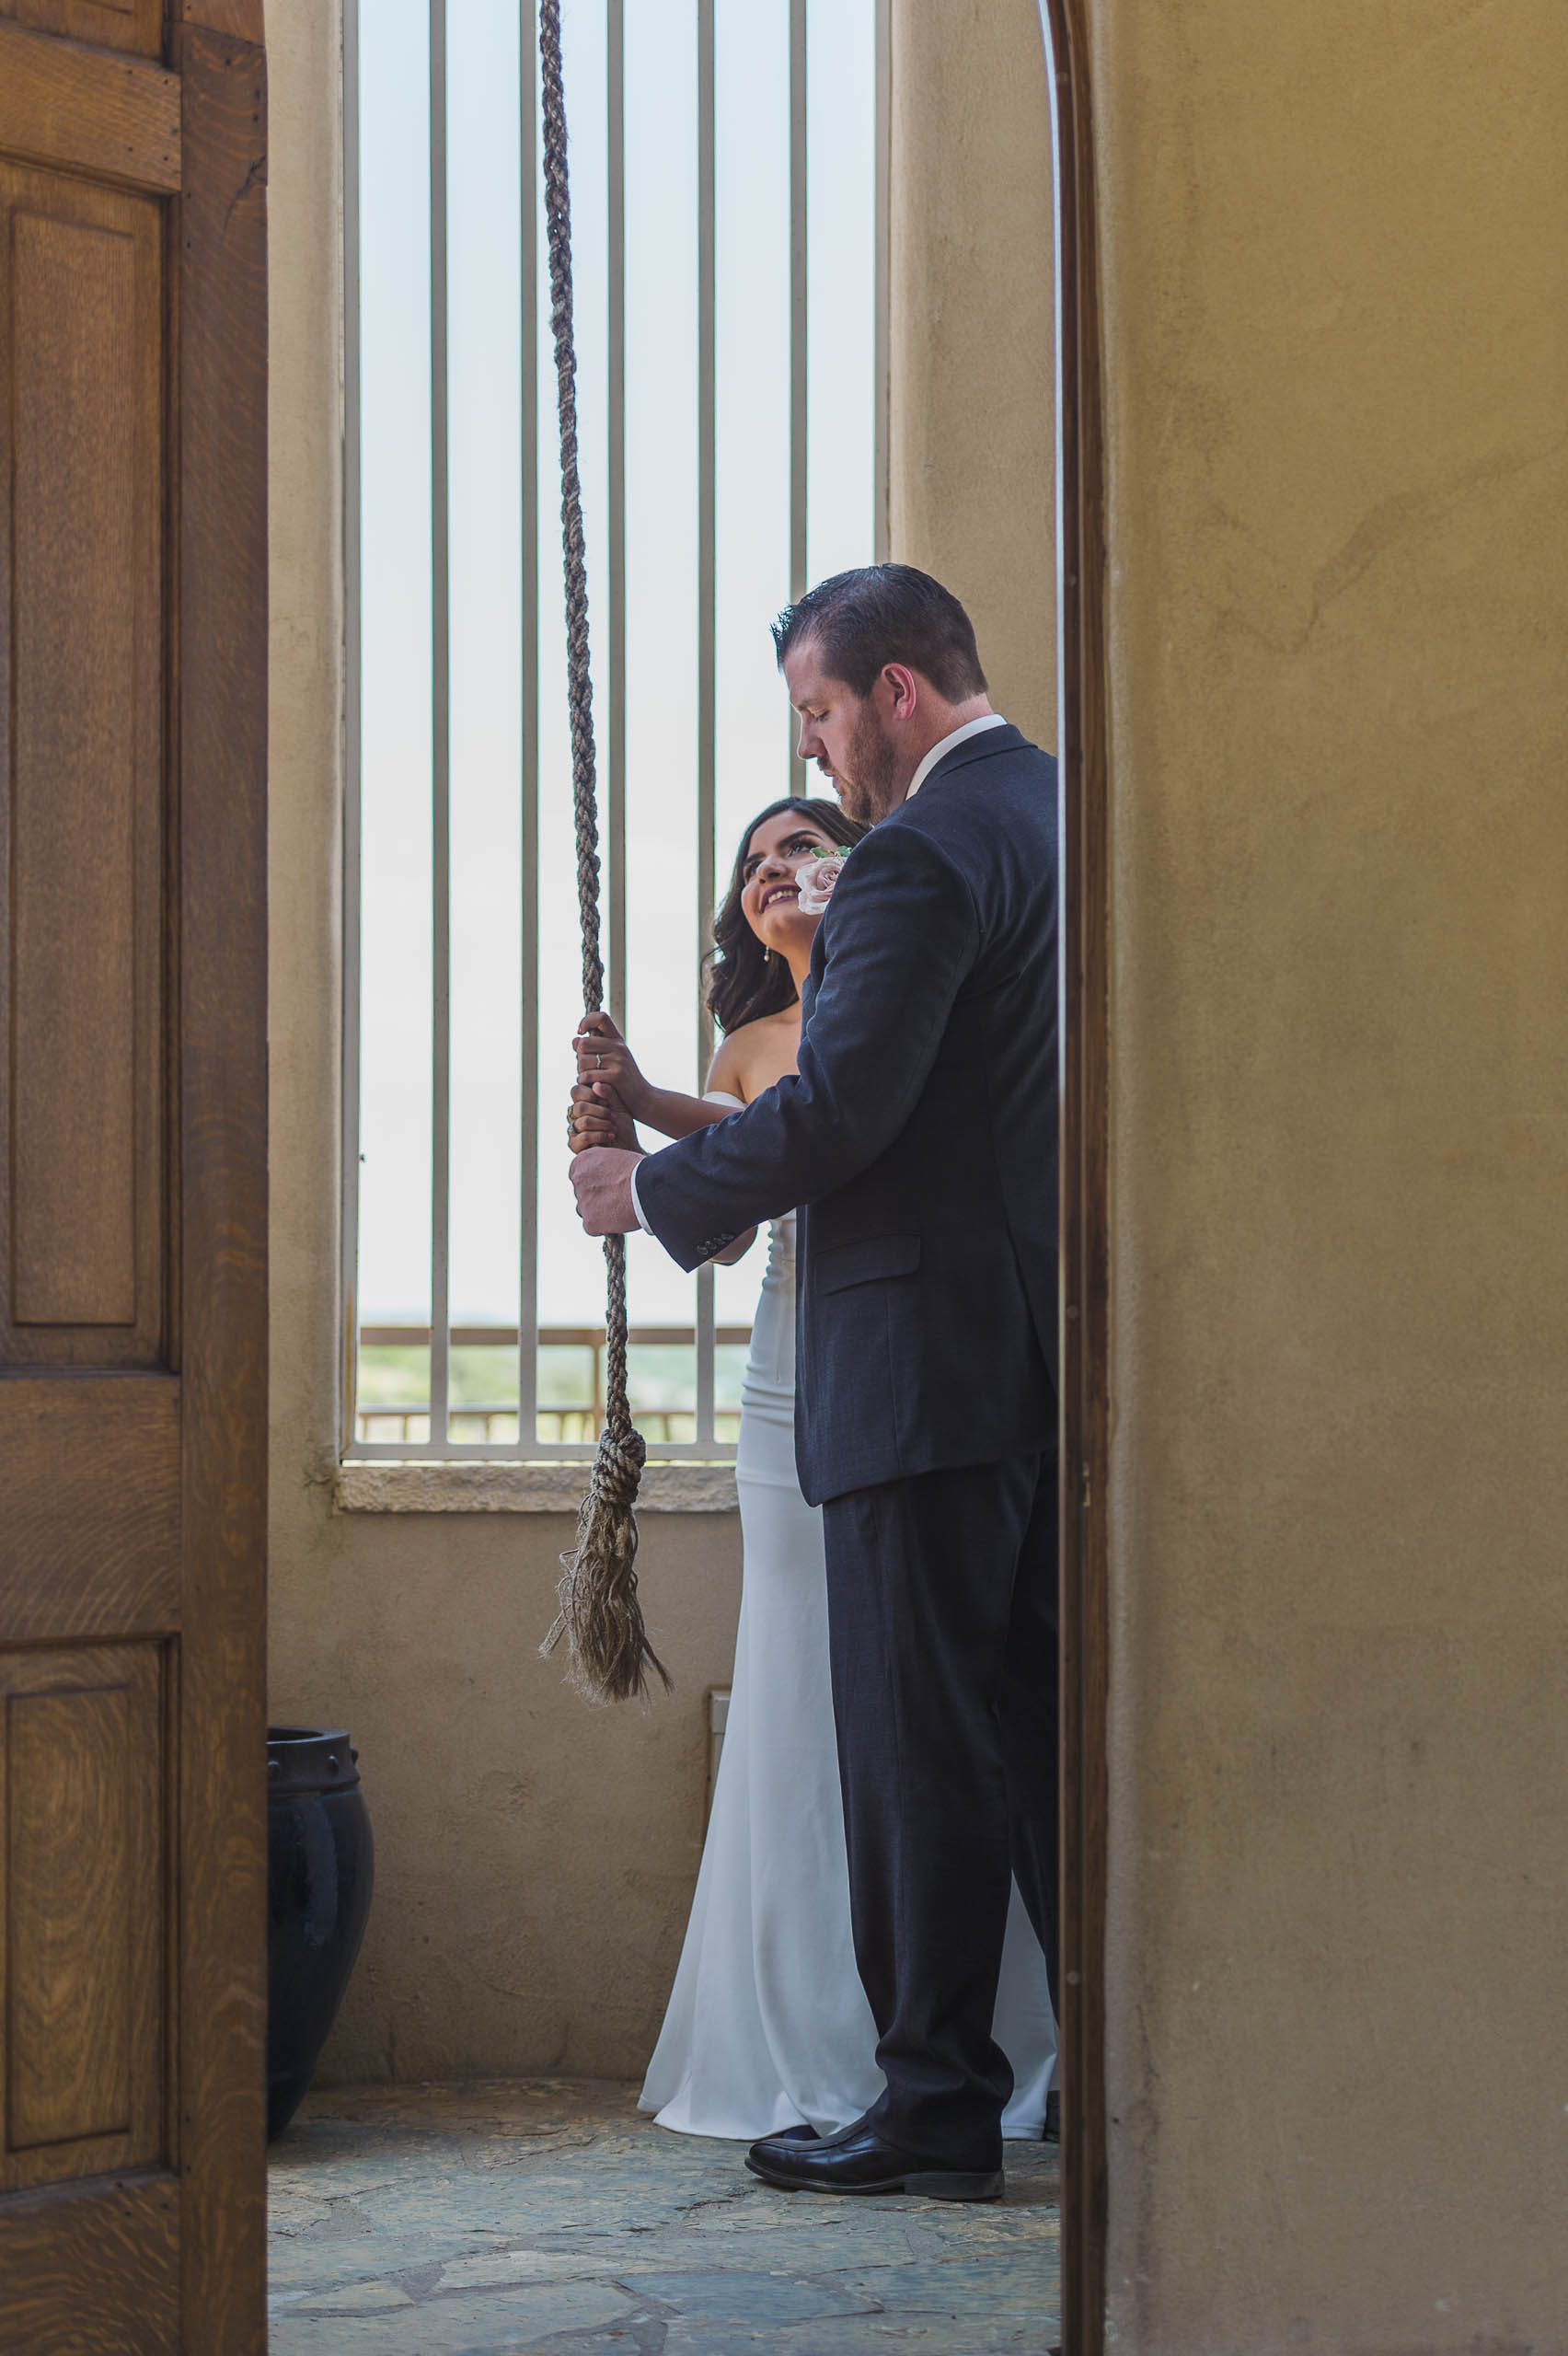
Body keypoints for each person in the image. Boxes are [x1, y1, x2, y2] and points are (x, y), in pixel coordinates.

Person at [571, 563, 1058, 2205]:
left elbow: (846, 1109)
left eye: (822, 712)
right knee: (1045, 1743)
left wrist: (648, 1189)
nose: (818, 749)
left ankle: (935, 2109)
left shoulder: (918, 851)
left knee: (918, 1745)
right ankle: (1118, 2073)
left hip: (917, 1372)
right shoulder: (1062, 814)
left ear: (896, 694)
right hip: (1045, 1363)